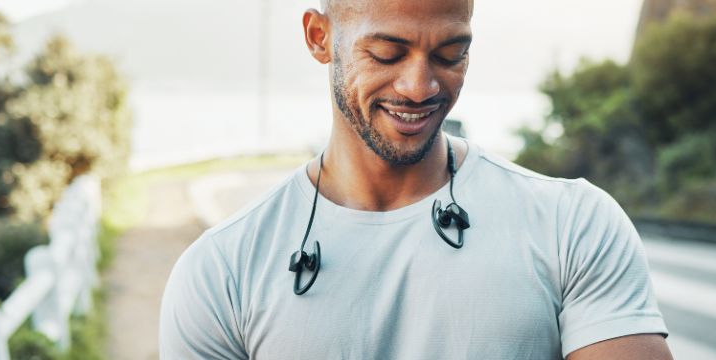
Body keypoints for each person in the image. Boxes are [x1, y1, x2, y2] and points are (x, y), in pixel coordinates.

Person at [159, 0, 672, 358]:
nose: (420, 86)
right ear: (320, 37)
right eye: (387, 53)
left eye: (451, 54)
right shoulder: (221, 270)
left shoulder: (573, 225)